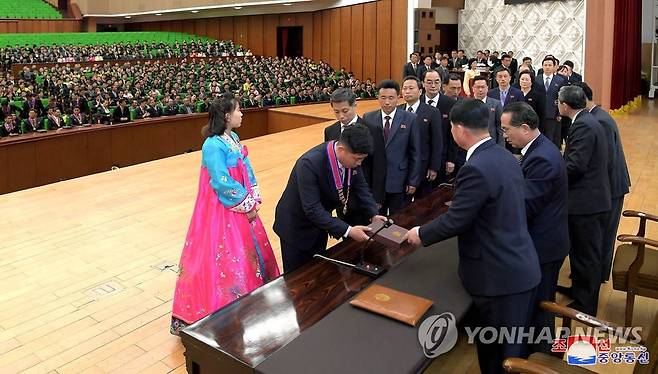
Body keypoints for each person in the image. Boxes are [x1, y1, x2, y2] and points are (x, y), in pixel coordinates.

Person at [404, 99, 540, 374]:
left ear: (458, 129)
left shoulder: (476, 167)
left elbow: (457, 219)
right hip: (519, 265)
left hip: (500, 277)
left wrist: (420, 233)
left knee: (499, 359)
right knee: (510, 350)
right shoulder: (503, 154)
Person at [171, 93, 280, 334]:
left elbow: (245, 167)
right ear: (227, 115)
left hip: (240, 204)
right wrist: (246, 202)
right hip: (221, 209)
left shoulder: (233, 137)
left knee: (247, 251)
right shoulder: (212, 144)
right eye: (239, 110)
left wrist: (254, 194)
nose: (242, 114)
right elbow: (221, 181)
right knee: (221, 253)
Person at [501, 102, 569, 354]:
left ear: (526, 128)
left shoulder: (542, 158)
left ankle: (540, 358)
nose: (504, 135)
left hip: (544, 245)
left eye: (507, 130)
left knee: (540, 305)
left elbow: (526, 207)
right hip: (546, 239)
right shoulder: (539, 149)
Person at [273, 125, 387, 272]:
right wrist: (348, 230)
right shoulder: (309, 163)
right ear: (341, 150)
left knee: (317, 271)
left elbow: (362, 188)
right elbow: (312, 209)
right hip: (296, 228)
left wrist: (374, 214)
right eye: (357, 159)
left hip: (320, 224)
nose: (359, 164)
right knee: (297, 278)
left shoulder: (350, 158)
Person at [558, 85, 610, 316]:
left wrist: (554, 174)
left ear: (564, 105)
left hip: (586, 202)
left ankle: (585, 305)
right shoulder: (587, 120)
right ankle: (578, 291)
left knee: (586, 254)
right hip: (588, 199)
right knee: (580, 252)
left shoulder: (582, 125)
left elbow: (576, 165)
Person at [575, 82, 631, 283]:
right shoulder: (593, 117)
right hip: (605, 185)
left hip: (611, 186)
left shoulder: (600, 121)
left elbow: (604, 161)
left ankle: (597, 277)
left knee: (604, 234)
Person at [363, 79, 420, 215]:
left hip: (399, 180)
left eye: (391, 98)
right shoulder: (368, 118)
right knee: (376, 221)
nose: (387, 102)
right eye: (383, 98)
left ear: (398, 97)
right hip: (375, 183)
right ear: (378, 97)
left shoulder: (410, 118)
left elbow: (415, 152)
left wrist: (413, 181)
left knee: (398, 222)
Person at [399, 76, 443, 198]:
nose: (407, 91)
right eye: (405, 88)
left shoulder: (432, 112)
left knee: (422, 203)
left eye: (411, 88)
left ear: (420, 91)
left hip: (424, 165)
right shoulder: (398, 110)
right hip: (402, 166)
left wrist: (434, 167)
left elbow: (437, 142)